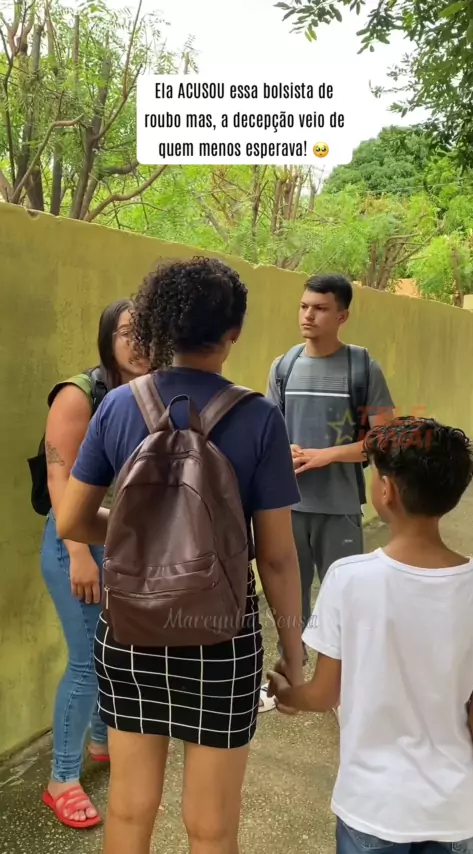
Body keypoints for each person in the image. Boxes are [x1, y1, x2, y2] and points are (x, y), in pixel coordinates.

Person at [56, 256, 305, 854]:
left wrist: (142, 536)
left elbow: (73, 520)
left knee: (129, 810)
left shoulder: (118, 406)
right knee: (212, 825)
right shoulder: (260, 419)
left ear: (160, 326)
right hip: (223, 637)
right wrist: (294, 653)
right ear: (234, 331)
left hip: (131, 631)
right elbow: (276, 557)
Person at [268, 417, 473, 854]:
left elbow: (324, 695)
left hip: (372, 805)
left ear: (387, 491)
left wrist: (288, 694)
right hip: (455, 808)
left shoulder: (349, 578)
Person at [41, 299, 149, 829]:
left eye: (146, 331)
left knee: (117, 651)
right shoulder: (78, 394)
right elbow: (58, 479)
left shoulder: (149, 394)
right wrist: (80, 554)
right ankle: (61, 779)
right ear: (108, 338)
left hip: (124, 541)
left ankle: (103, 741)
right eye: (127, 332)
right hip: (78, 542)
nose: (137, 342)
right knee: (87, 661)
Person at [263, 273, 394, 706]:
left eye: (320, 308)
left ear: (342, 316)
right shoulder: (284, 367)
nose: (308, 315)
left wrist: (327, 455)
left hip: (339, 508)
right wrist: (284, 451)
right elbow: (268, 433)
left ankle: (341, 689)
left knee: (345, 601)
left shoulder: (362, 368)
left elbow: (385, 439)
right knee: (289, 603)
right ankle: (292, 680)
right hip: (287, 508)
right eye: (304, 306)